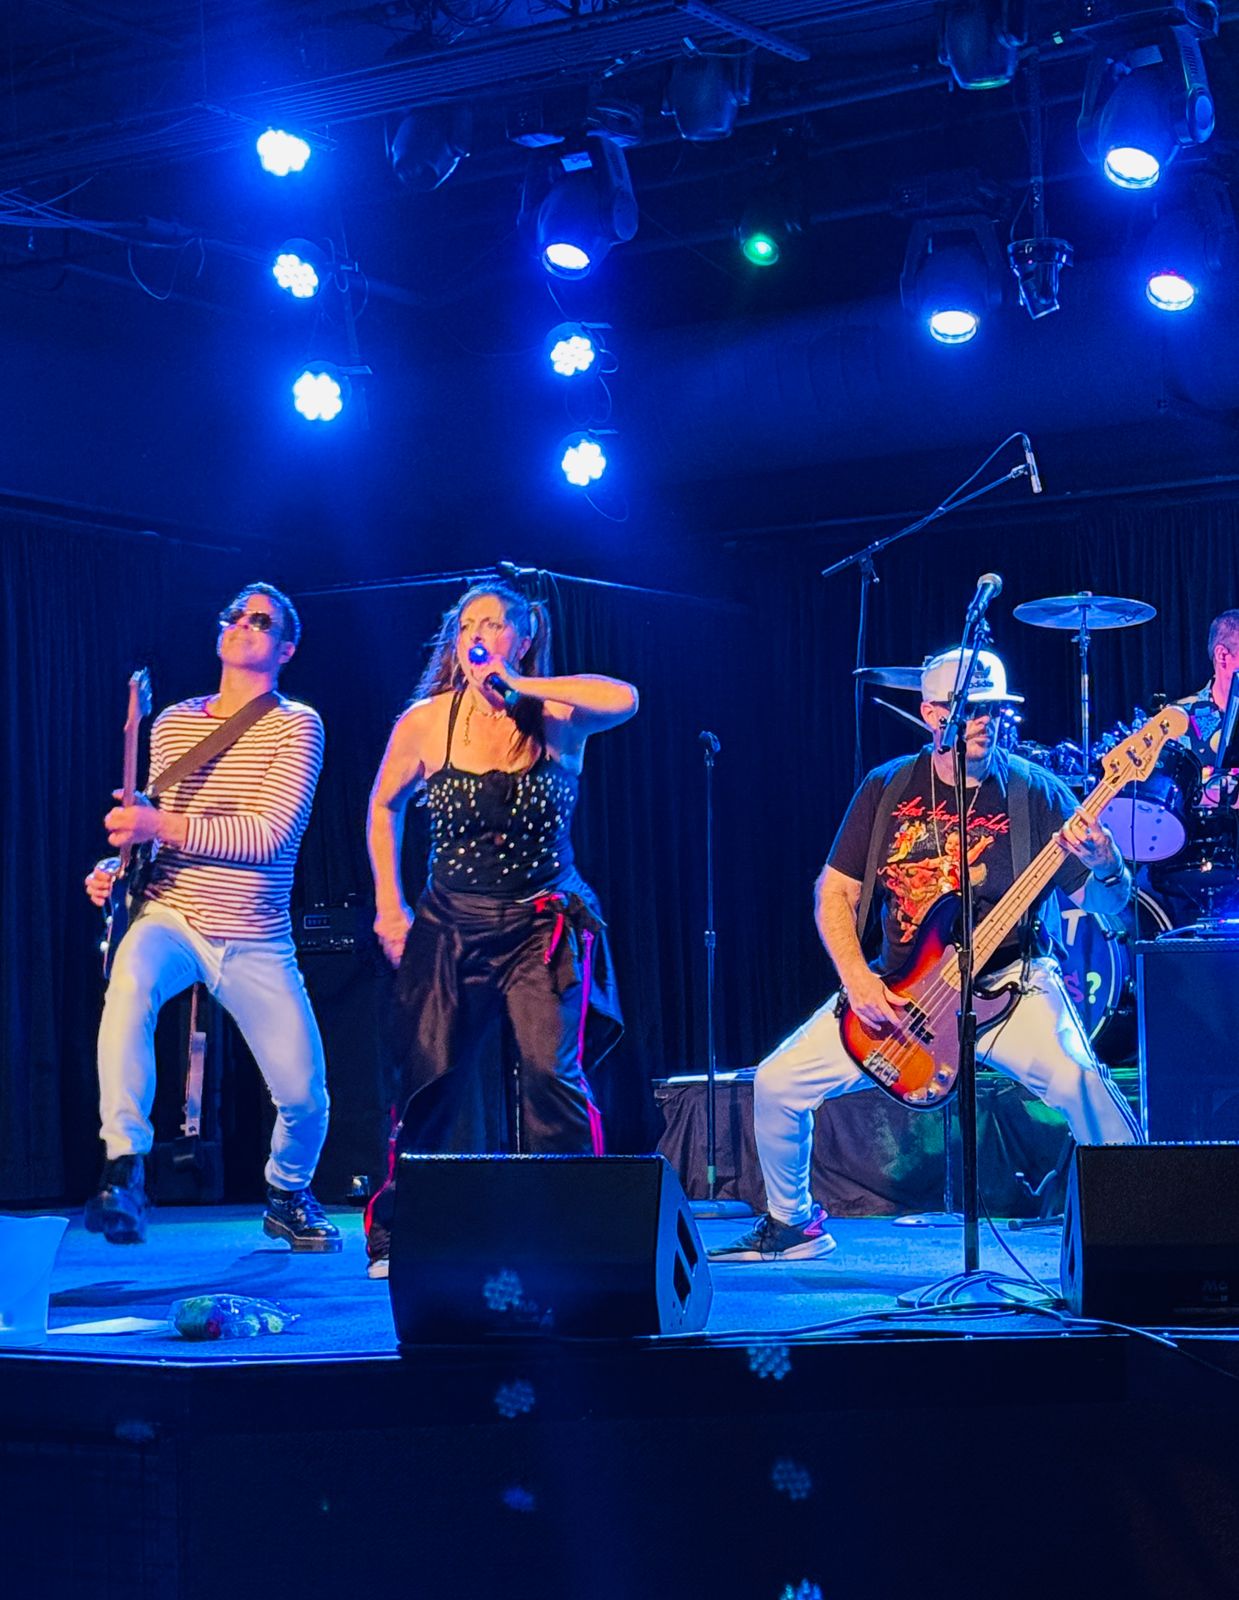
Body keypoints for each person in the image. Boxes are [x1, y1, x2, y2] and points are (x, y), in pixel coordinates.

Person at [712, 646, 1142, 1263]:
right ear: (932, 713)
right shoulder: (886, 787)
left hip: (1009, 986)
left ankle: (1135, 1230)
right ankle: (792, 1225)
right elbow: (835, 891)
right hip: (906, 992)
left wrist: (1107, 864)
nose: (985, 722)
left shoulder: (1036, 793)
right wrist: (857, 978)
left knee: (1083, 1083)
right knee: (778, 1082)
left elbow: (1108, 905)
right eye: (971, 709)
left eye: (995, 710)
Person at [364, 579, 637, 1277]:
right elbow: (384, 805)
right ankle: (401, 1230)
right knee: (429, 1077)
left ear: (524, 635)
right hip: (450, 925)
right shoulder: (427, 721)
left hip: (541, 922)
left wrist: (518, 684)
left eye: (494, 624)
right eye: (467, 626)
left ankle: (572, 1231)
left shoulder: (557, 714)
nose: (478, 636)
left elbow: (625, 698)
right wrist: (390, 905)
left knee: (552, 1075)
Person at [83, 583, 339, 1252]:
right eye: (234, 615)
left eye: (261, 621)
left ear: (286, 648)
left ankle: (287, 1191)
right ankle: (124, 1166)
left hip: (254, 935)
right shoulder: (171, 723)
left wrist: (157, 825)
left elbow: (269, 837)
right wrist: (115, 868)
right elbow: (155, 833)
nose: (242, 624)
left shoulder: (297, 725)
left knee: (305, 1099)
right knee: (129, 987)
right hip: (172, 913)